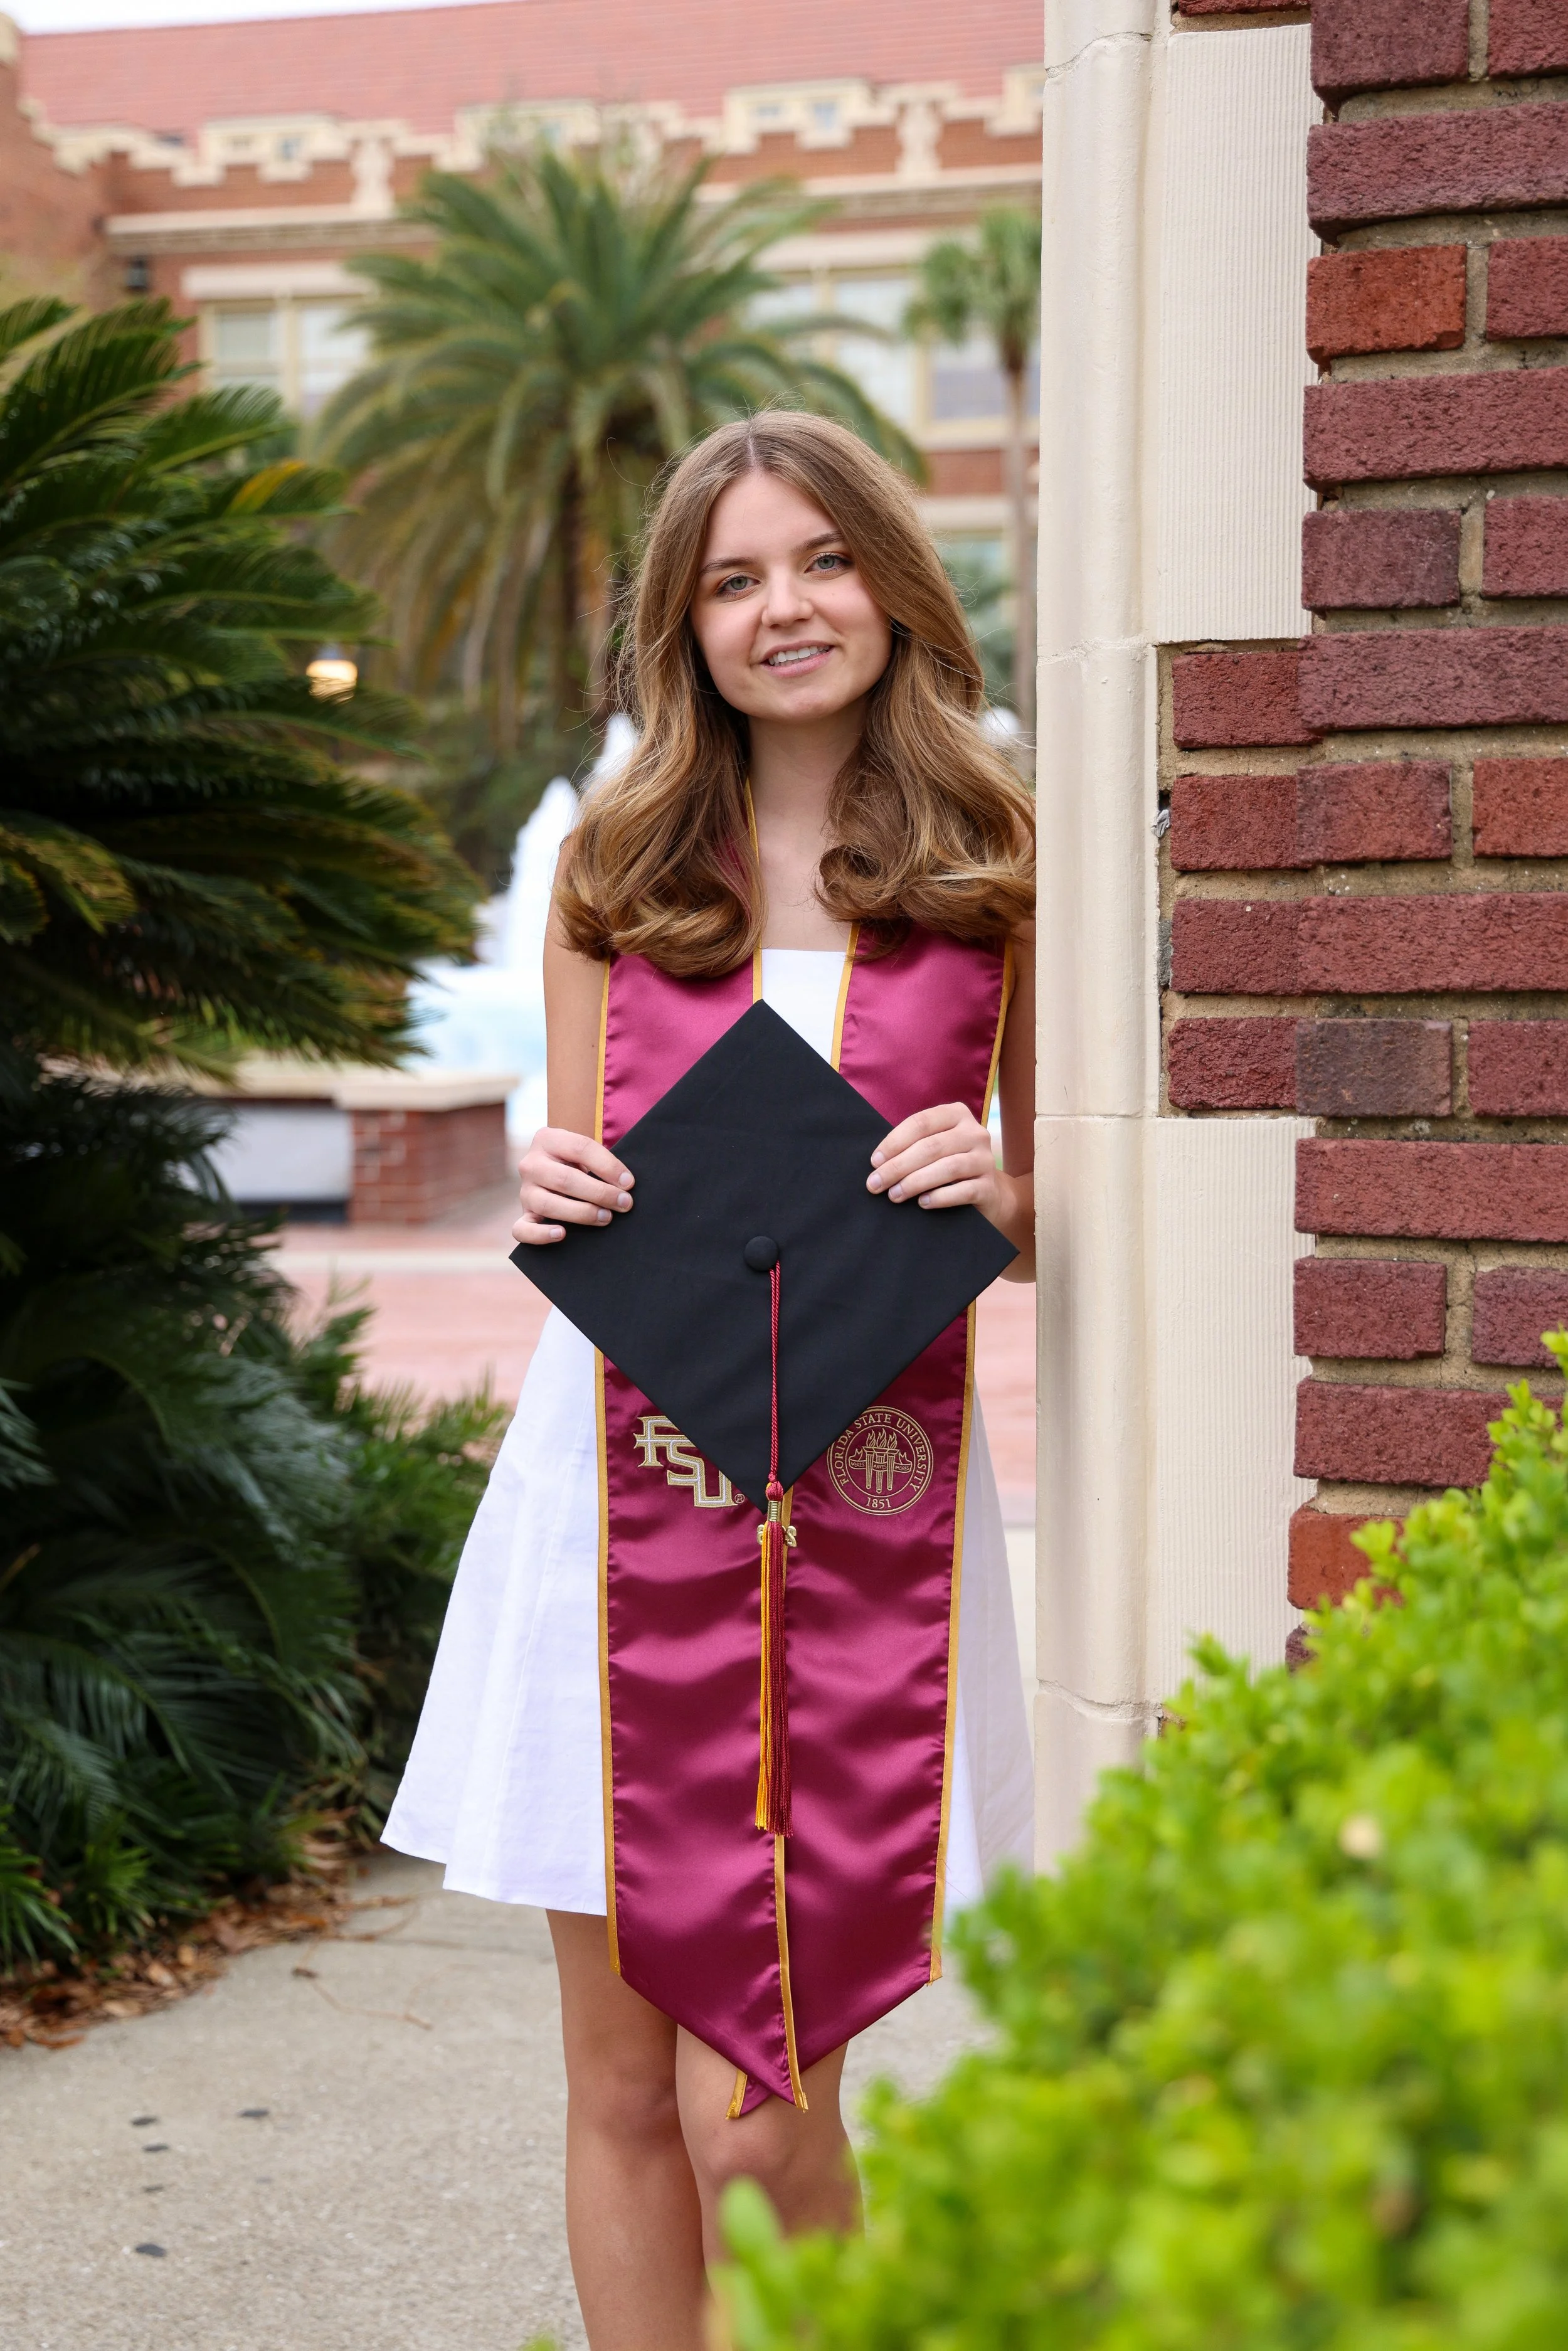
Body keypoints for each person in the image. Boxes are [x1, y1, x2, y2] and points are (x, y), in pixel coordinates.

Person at [383, 410, 1036, 2350]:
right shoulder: (616, 866)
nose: (784, 609)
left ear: (892, 583)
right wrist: (553, 1176)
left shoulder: (993, 867)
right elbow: (587, 1166)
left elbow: (1055, 1188)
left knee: (754, 2116)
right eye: (733, 579)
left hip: (867, 1525)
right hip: (616, 1498)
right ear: (681, 625)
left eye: (822, 560)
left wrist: (1007, 1186)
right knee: (614, 2084)